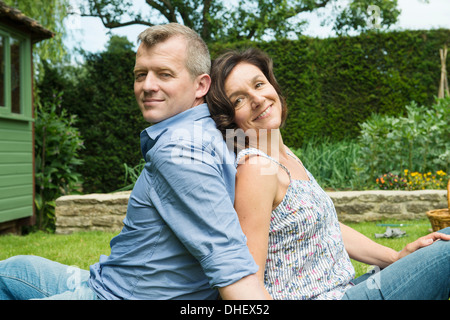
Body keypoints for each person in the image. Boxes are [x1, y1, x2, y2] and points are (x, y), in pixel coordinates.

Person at [0, 23, 267, 300]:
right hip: (107, 281)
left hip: (117, 296)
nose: (148, 86)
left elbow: (231, 265)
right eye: (141, 74)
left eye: (164, 74)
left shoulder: (180, 151)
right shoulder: (209, 129)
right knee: (13, 270)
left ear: (201, 85)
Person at [206, 47, 450, 300]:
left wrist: (395, 257)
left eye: (259, 84)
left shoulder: (286, 156)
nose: (257, 99)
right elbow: (249, 282)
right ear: (229, 118)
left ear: (274, 87)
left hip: (349, 288)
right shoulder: (256, 169)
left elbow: (327, 227)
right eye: (239, 99)